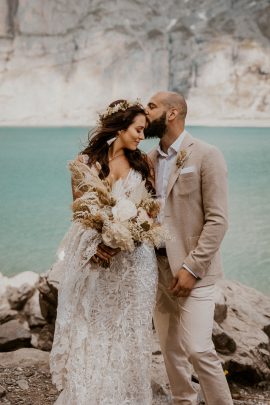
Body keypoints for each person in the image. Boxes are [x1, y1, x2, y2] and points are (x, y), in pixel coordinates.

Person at [50, 100, 158, 404]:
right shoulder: (86, 162)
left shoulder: (143, 163)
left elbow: (151, 211)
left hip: (135, 261)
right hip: (93, 255)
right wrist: (104, 238)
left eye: (145, 131)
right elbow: (81, 211)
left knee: (129, 329)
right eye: (138, 129)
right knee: (94, 323)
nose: (141, 136)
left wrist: (129, 233)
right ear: (120, 127)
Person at [145, 91, 233, 405]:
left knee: (198, 348)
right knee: (169, 349)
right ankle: (183, 400)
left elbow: (218, 220)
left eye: (151, 106)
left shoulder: (207, 155)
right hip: (158, 271)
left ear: (173, 113)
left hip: (195, 272)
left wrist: (192, 268)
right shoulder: (149, 161)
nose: (145, 112)